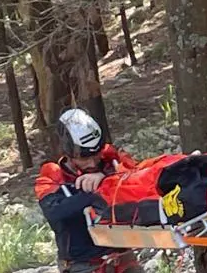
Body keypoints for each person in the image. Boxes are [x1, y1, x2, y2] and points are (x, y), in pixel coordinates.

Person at [35, 109, 145, 273]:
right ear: (69, 154)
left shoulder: (111, 160)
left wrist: (105, 178)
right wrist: (90, 196)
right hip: (83, 265)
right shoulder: (52, 176)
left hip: (122, 257)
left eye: (96, 156)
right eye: (85, 158)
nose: (93, 163)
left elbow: (138, 176)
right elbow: (54, 211)